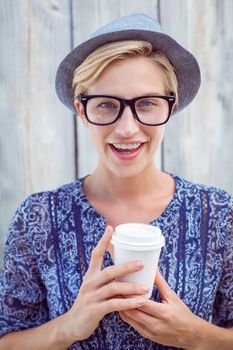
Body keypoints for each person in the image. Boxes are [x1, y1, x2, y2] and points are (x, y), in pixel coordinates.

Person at [0, 13, 232, 350]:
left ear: (172, 105)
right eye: (107, 104)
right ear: (82, 110)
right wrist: (69, 327)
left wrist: (198, 336)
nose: (126, 129)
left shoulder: (218, 214)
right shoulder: (38, 217)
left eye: (147, 104)